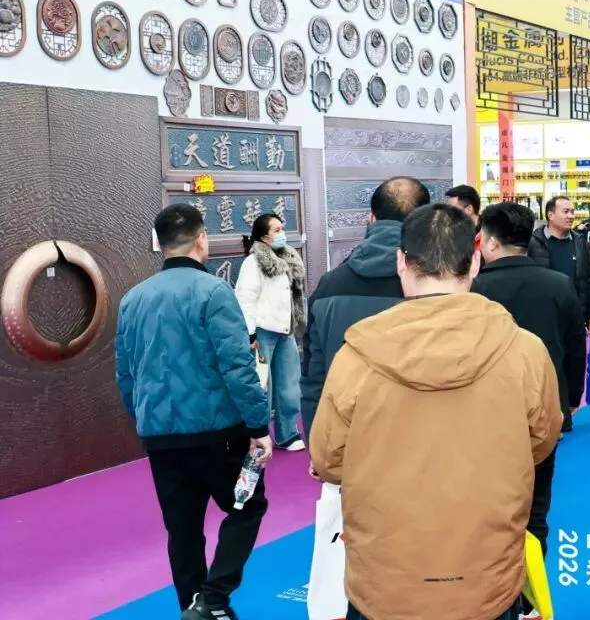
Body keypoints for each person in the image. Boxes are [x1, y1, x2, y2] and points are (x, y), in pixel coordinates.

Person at [308, 203, 561, 620]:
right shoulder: (524, 350)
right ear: (475, 261)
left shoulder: (357, 356)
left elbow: (328, 459)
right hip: (486, 575)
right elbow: (541, 440)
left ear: (401, 263)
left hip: (385, 580)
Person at [115, 204, 271, 620]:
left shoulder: (132, 300)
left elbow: (125, 375)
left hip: (160, 437)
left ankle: (194, 607)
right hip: (217, 432)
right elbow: (237, 366)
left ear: (159, 244)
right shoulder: (214, 292)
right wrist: (258, 426)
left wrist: (144, 420)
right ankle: (213, 598)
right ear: (202, 239)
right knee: (248, 506)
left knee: (182, 531)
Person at [471, 202, 585, 618]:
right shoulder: (558, 284)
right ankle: (529, 597)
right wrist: (570, 398)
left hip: (485, 415)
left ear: (490, 242)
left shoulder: (475, 291)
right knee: (536, 507)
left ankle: (494, 593)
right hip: (543, 409)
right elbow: (575, 347)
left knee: (488, 507)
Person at [301, 177, 431, 448]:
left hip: (350, 443)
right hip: (424, 444)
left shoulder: (329, 286)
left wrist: (319, 448)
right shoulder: (440, 287)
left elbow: (315, 381)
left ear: (371, 218)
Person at [234, 213, 307, 452]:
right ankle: (259, 434)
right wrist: (250, 334)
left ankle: (288, 434)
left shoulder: (288, 257)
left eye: (281, 228)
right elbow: (245, 299)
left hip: (285, 331)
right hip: (262, 335)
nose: (281, 233)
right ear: (264, 237)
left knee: (290, 385)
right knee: (261, 385)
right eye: (276, 230)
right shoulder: (253, 262)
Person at [528, 195, 590, 351]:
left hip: (575, 316)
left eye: (572, 212)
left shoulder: (580, 242)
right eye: (566, 212)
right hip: (544, 317)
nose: (571, 216)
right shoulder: (533, 243)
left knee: (575, 362)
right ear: (550, 215)